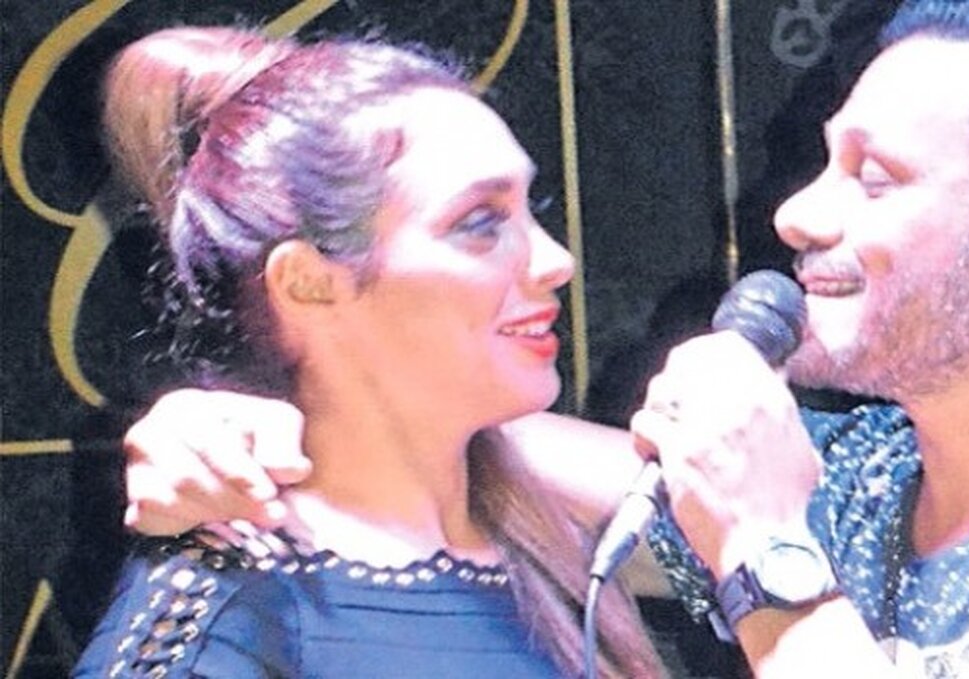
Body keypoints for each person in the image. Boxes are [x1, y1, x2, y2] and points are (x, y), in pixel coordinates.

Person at [118, 1, 969, 676]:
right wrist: (241, 421)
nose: (798, 214)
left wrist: (764, 543)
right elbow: (446, 437)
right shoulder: (861, 476)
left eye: (872, 177)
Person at [73, 26, 663, 678]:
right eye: (479, 222)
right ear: (308, 282)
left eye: (532, 207)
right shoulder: (227, 604)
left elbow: (746, 509)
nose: (556, 260)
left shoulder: (547, 534)